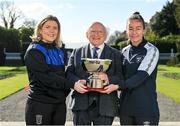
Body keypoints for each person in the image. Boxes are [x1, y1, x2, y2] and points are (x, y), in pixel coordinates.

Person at [66, 22, 123, 125]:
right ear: (87, 34)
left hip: (106, 106)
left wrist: (108, 78)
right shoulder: (76, 52)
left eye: (100, 32)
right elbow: (68, 74)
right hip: (80, 104)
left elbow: (121, 77)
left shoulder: (116, 54)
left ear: (105, 35)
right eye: (93, 31)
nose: (96, 34)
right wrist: (76, 83)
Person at [24, 15, 73, 125]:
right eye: (47, 27)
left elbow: (62, 75)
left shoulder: (59, 51)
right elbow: (45, 77)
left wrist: (64, 92)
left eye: (55, 28)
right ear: (40, 30)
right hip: (40, 104)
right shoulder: (34, 50)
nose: (52, 31)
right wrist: (72, 84)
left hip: (59, 105)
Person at [118, 12, 160, 125]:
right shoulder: (124, 51)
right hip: (125, 110)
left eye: (138, 28)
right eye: (130, 28)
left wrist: (117, 85)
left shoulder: (152, 50)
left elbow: (140, 76)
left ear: (144, 30)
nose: (134, 32)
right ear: (126, 30)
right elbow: (119, 76)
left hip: (146, 110)